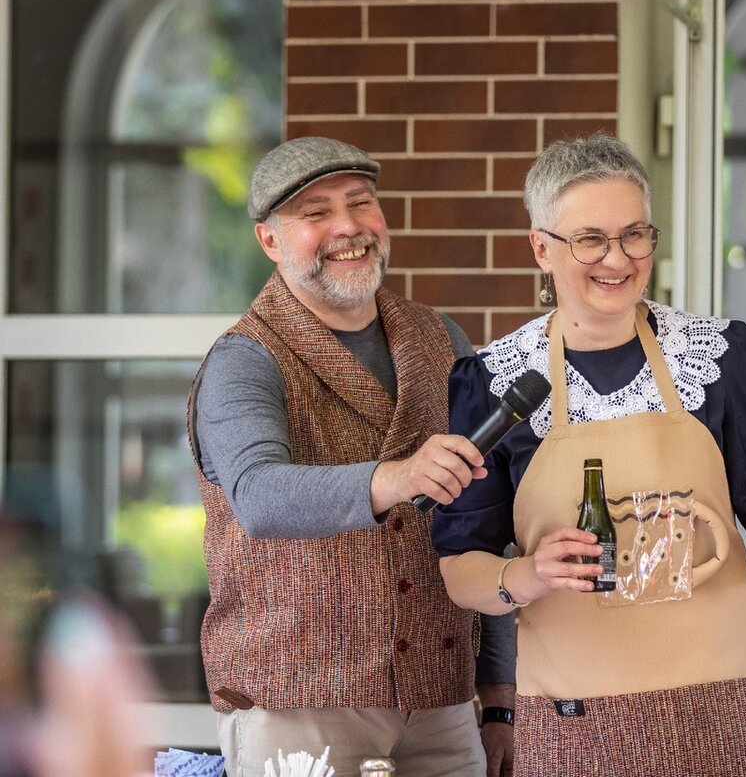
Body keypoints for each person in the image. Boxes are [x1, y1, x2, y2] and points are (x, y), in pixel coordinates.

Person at [433, 133, 746, 777]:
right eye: (591, 239)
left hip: (723, 706)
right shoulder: (492, 380)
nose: (618, 258)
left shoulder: (714, 355)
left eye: (635, 234)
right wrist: (530, 575)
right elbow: (459, 565)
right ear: (541, 247)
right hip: (573, 719)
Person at [188, 137, 515, 777]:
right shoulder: (243, 359)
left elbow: (485, 518)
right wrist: (396, 477)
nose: (348, 227)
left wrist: (499, 691)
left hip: (441, 698)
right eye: (315, 214)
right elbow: (258, 496)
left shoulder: (442, 338)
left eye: (360, 203)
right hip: (294, 701)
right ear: (269, 241)